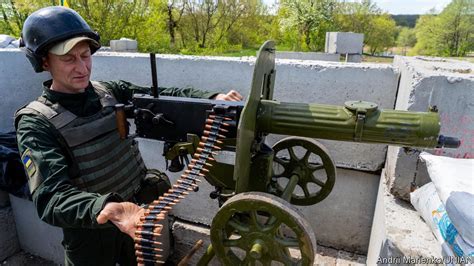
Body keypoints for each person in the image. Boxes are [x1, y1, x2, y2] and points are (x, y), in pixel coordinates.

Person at [15, 6, 242, 266]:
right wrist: (106, 207)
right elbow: (51, 198)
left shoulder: (109, 92)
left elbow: (161, 97)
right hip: (92, 234)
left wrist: (211, 100)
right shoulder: (36, 122)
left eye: (85, 55)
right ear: (44, 61)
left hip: (138, 214)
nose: (82, 67)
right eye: (68, 59)